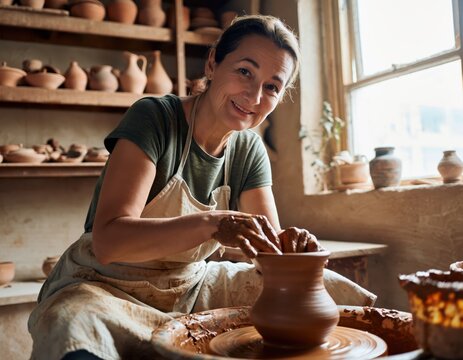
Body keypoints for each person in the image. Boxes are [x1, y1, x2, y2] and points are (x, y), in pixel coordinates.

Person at [28, 15, 376, 360]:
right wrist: (213, 224)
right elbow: (109, 242)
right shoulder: (155, 118)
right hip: (105, 285)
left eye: (272, 86)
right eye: (244, 71)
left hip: (190, 285)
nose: (254, 96)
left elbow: (270, 259)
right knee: (73, 327)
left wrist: (293, 250)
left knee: (333, 291)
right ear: (212, 63)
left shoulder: (249, 149)